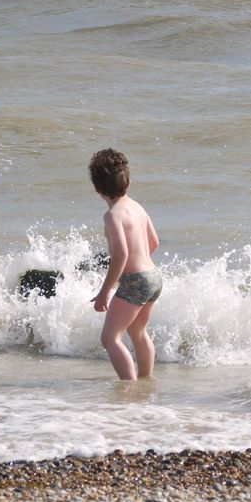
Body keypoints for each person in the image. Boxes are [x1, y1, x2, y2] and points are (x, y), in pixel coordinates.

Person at [88, 149, 162, 380]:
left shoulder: (112, 216)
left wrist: (104, 292)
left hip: (136, 280)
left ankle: (129, 388)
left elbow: (120, 254)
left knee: (110, 338)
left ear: (98, 190)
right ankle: (146, 381)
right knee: (138, 331)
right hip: (153, 276)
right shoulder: (137, 206)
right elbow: (154, 242)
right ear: (128, 182)